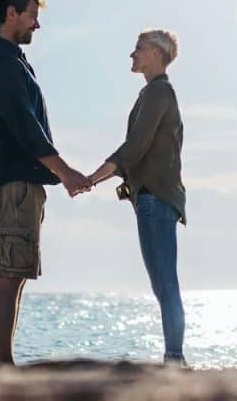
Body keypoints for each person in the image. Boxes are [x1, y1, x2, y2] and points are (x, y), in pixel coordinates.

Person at [0, 0, 92, 365]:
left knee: (17, 273)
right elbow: (24, 126)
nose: (36, 25)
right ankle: (3, 366)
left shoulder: (14, 60)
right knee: (8, 276)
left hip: (23, 180)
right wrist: (66, 171)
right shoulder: (0, 63)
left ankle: (6, 363)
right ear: (11, 14)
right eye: (32, 16)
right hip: (11, 180)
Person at [88, 29, 187, 365]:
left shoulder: (159, 92)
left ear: (157, 54)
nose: (132, 55)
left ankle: (174, 359)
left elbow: (135, 147)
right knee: (164, 285)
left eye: (138, 49)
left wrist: (91, 178)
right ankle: (174, 358)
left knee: (165, 285)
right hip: (156, 197)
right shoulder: (153, 93)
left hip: (155, 198)